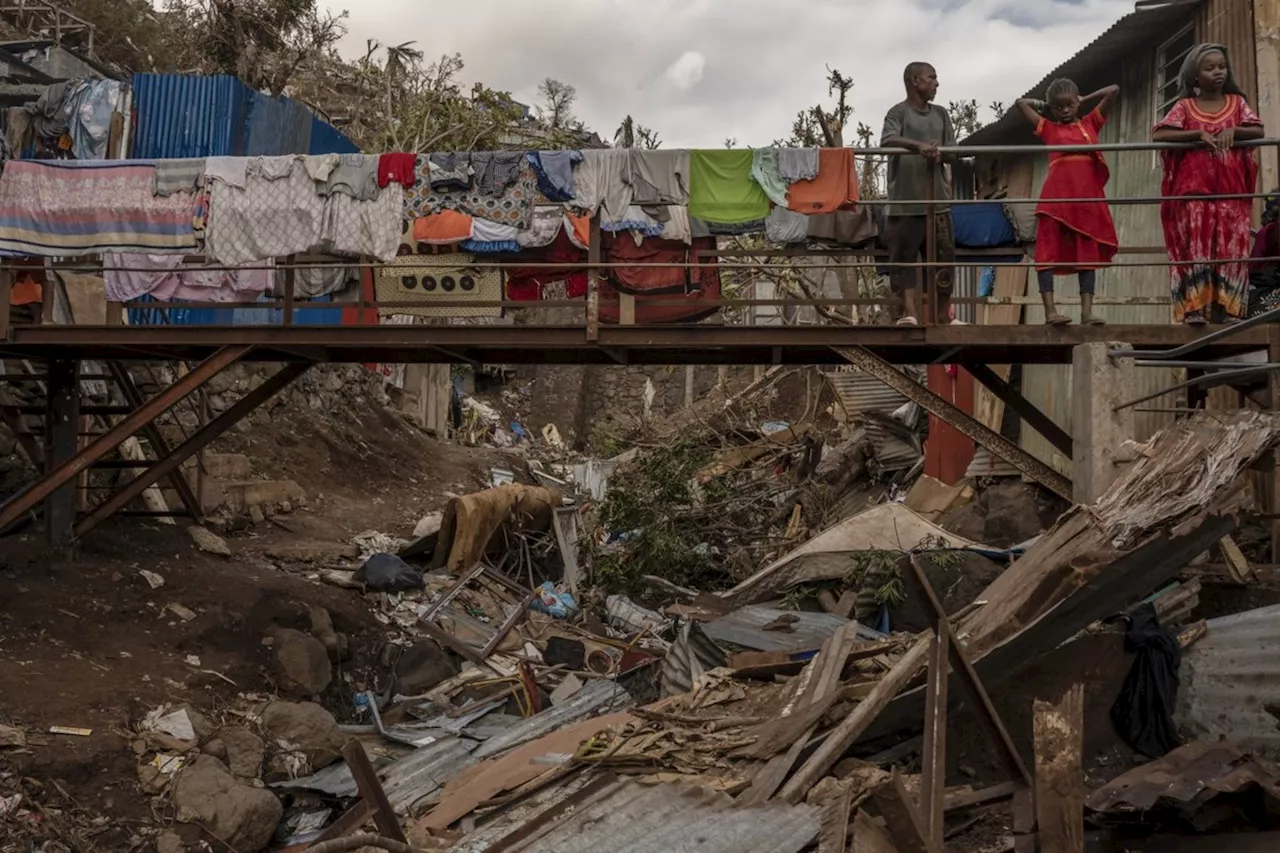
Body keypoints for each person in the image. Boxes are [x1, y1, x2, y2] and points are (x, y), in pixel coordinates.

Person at [1152, 43, 1265, 325]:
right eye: (1210, 67)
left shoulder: (1237, 104)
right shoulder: (1184, 106)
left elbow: (1258, 130)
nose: (1217, 72)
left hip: (1231, 193)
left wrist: (1235, 130)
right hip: (1193, 192)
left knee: (1230, 248)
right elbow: (1159, 134)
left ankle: (1227, 310)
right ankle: (1193, 309)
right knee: (1195, 248)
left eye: (1221, 67)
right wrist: (1197, 134)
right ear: (1194, 75)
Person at [1015, 78, 1120, 325]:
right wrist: (1043, 103)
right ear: (1052, 109)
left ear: (1077, 103)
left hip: (1085, 200)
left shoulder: (1091, 123)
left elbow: (1113, 89)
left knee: (1086, 255)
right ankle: (1050, 312)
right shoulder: (1049, 128)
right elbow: (1021, 104)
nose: (1064, 110)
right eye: (1058, 107)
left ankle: (1086, 312)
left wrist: (1085, 98)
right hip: (1056, 200)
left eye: (1069, 104)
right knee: (1047, 253)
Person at [881, 61, 958, 326]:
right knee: (903, 260)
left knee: (944, 258)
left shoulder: (941, 114)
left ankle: (942, 316)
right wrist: (919, 146)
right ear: (915, 81)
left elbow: (954, 153)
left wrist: (939, 150)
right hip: (905, 202)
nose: (936, 83)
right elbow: (887, 141)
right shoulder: (898, 113)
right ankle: (909, 313)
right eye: (931, 77)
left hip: (938, 202)